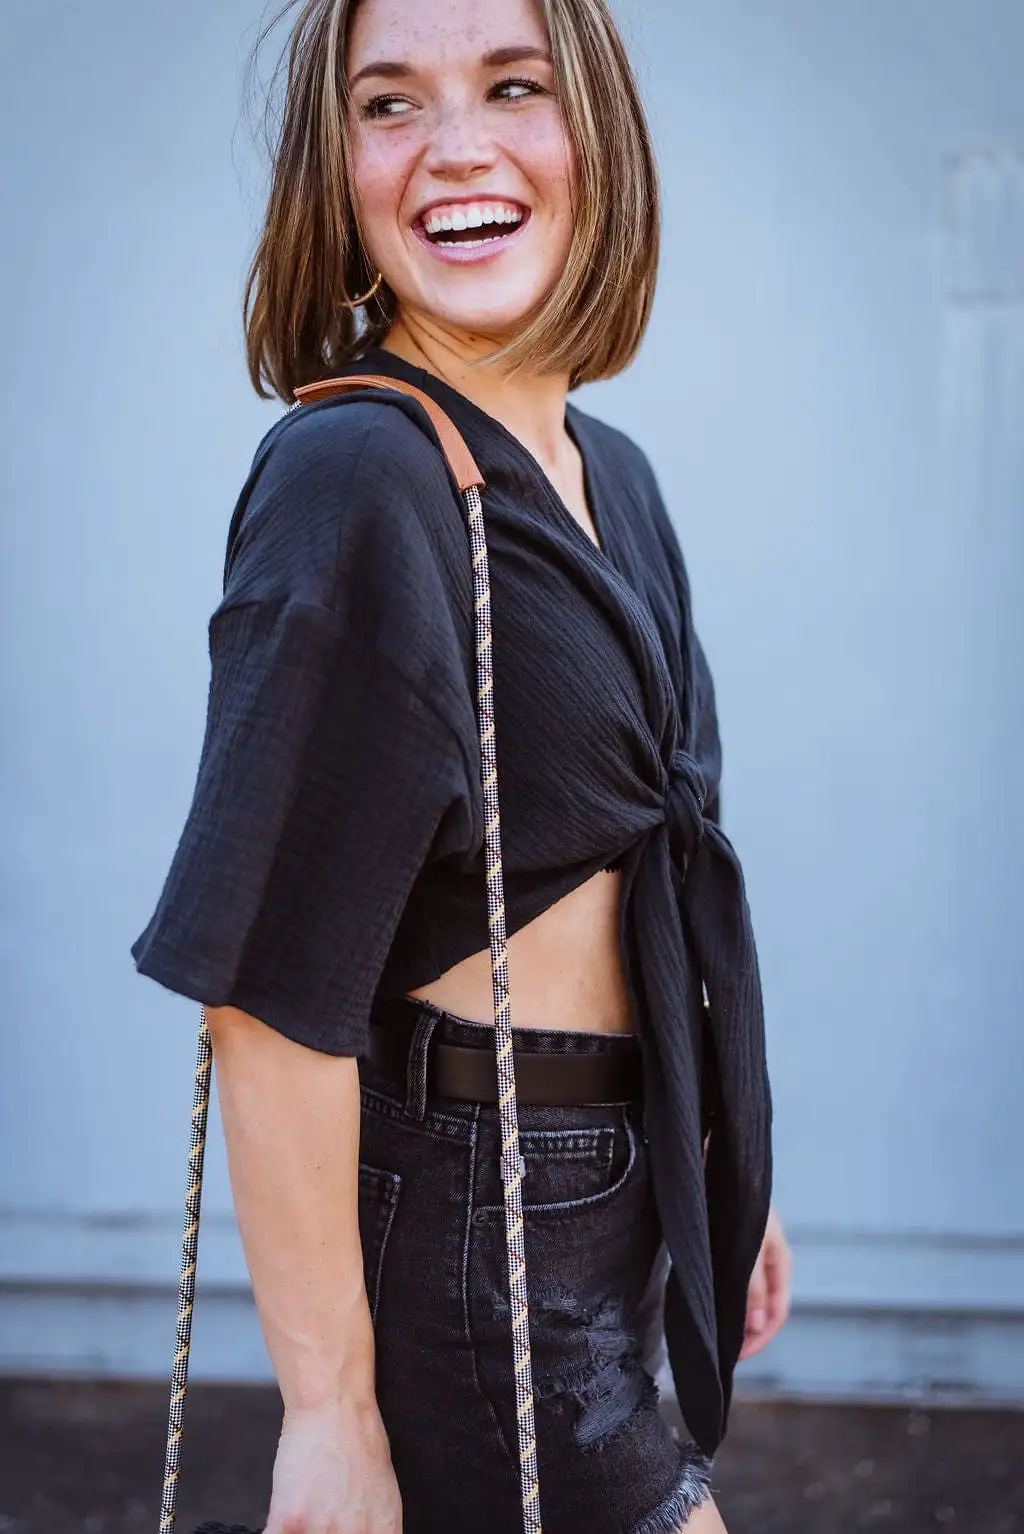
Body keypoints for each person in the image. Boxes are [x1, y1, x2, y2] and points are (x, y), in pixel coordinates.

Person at [132, 0, 792, 1529]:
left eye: (512, 86)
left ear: (597, 137)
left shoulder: (606, 469)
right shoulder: (357, 477)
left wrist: (719, 1163)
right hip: (481, 1213)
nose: (456, 148)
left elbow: (657, 863)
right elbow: (268, 979)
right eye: (389, 104)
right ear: (337, 165)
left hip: (614, 1185)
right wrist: (327, 1414)